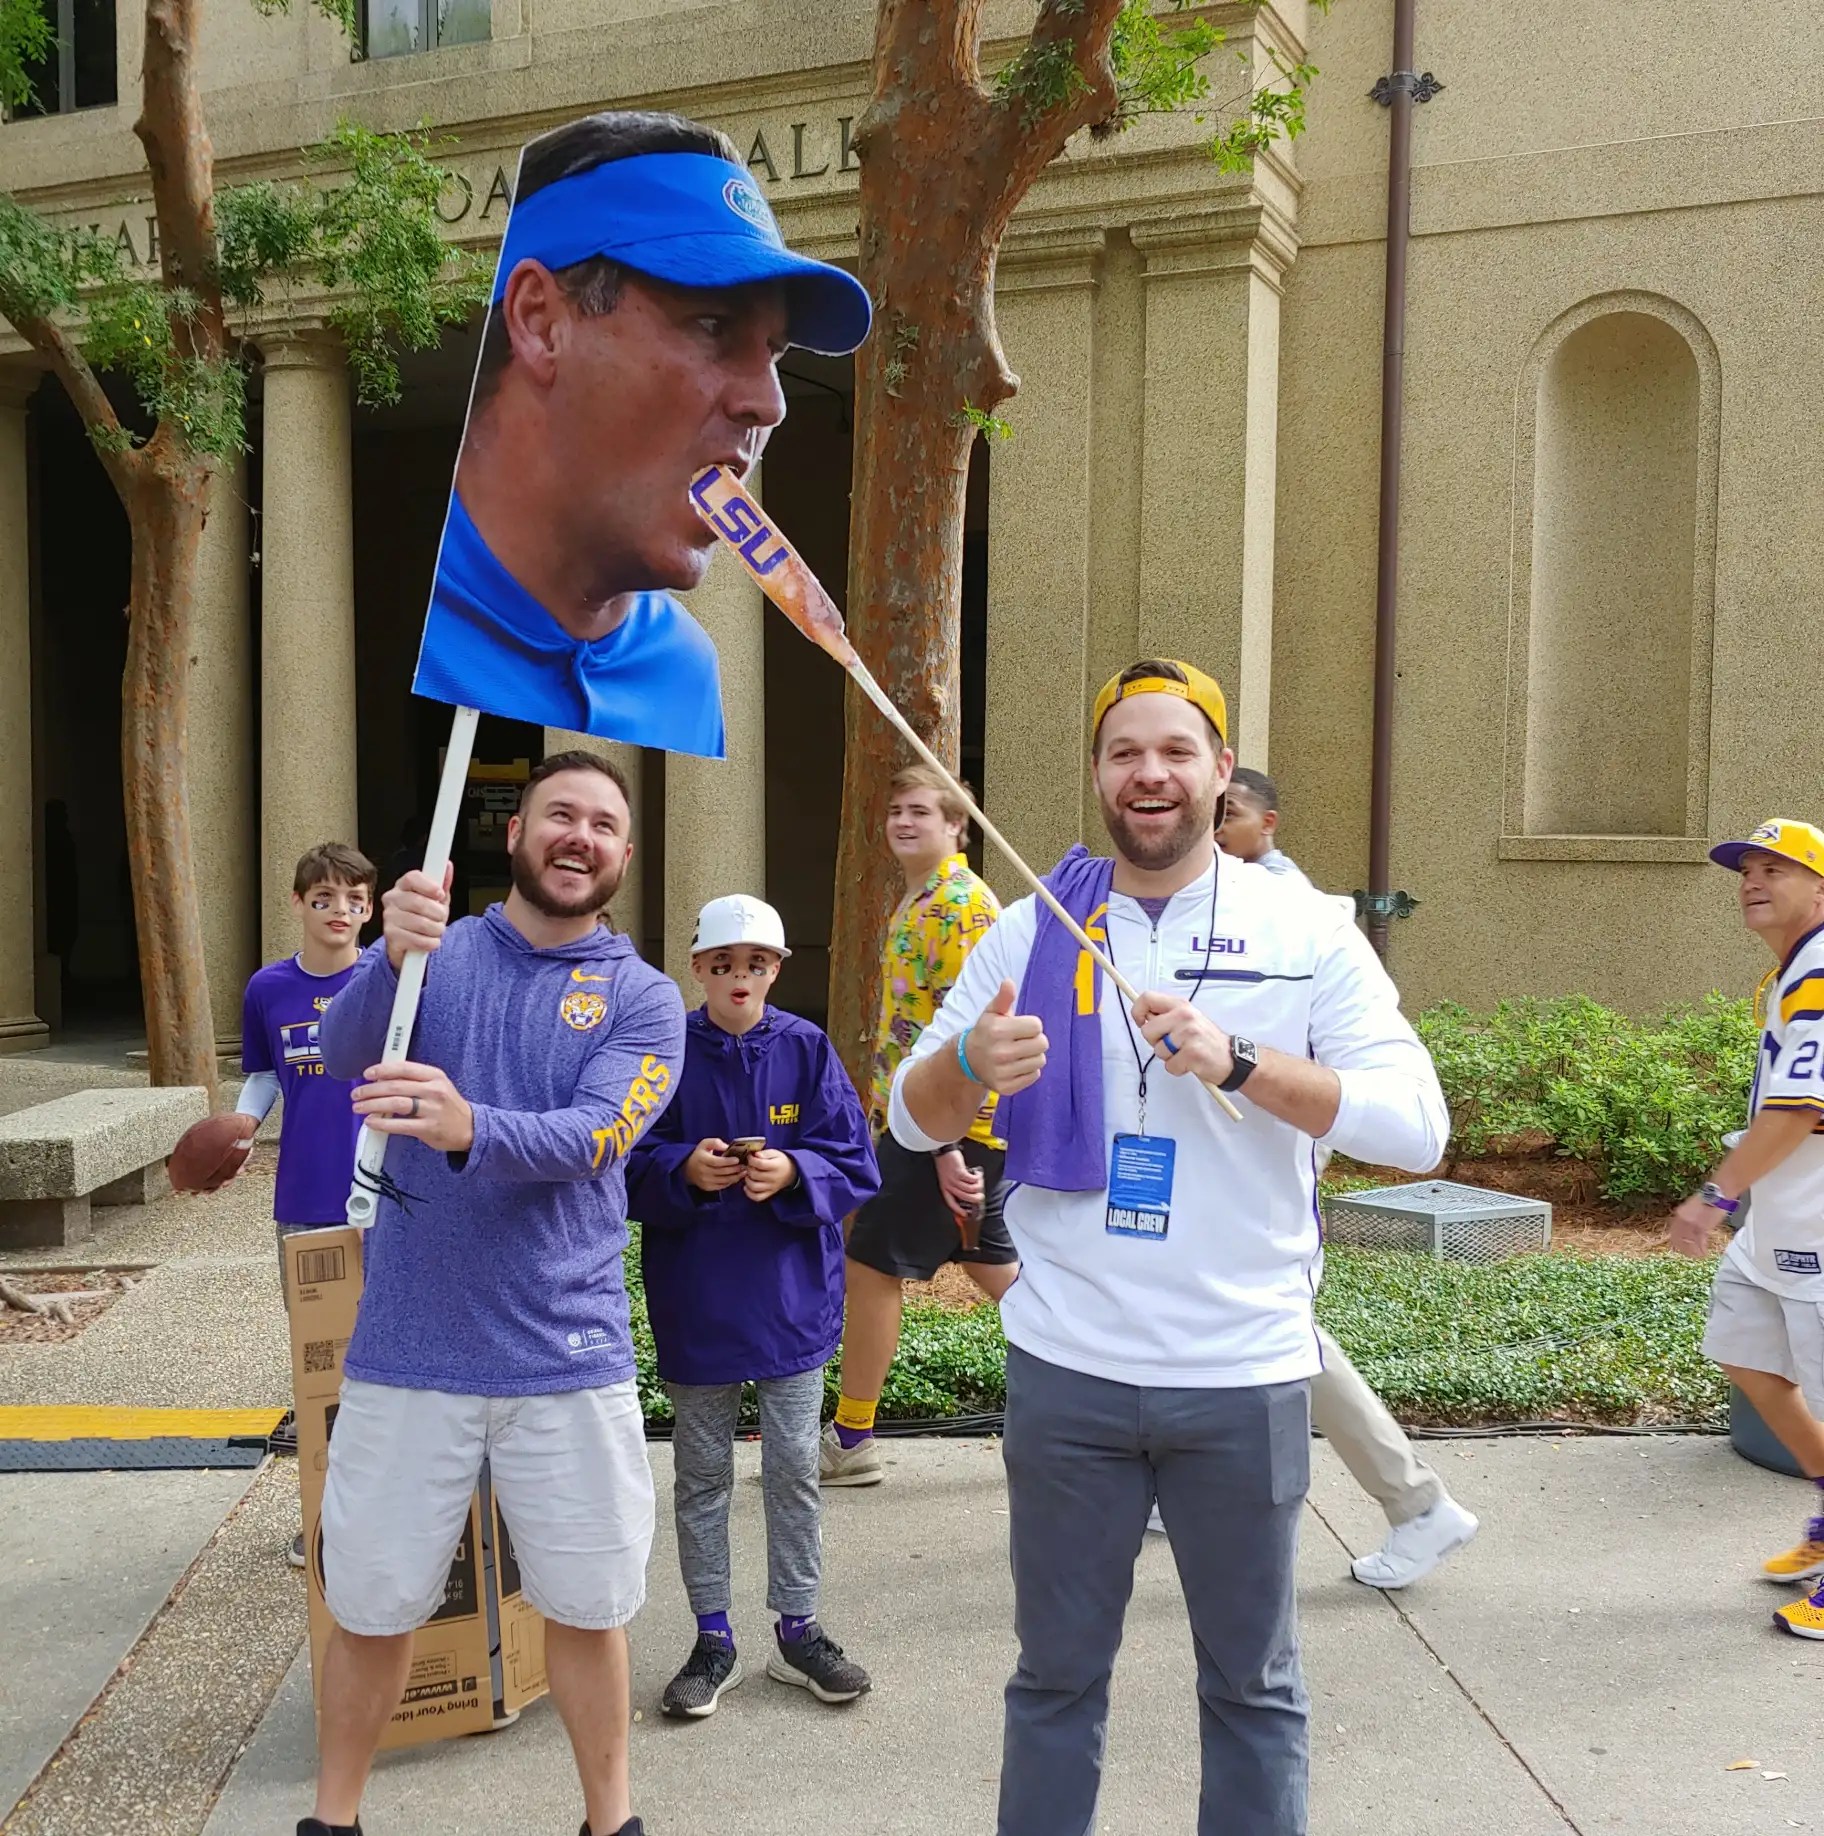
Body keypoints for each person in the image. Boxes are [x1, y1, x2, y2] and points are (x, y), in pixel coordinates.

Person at [892, 659, 1449, 1836]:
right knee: (1053, 1681)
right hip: (1068, 1369)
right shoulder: (1032, 923)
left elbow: (1416, 1129)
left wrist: (1242, 1060)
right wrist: (966, 1072)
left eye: (1176, 752)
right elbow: (910, 1112)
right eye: (1124, 752)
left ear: (1218, 772)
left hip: (1240, 1375)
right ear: (1098, 774)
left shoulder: (1305, 929)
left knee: (1252, 1687)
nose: (1150, 774)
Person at [300, 751, 684, 1836]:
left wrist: (469, 1124)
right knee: (371, 1610)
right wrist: (388, 958)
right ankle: (333, 1821)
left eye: (604, 824)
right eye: (561, 814)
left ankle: (611, 1822)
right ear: (514, 833)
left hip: (567, 1359)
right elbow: (339, 1058)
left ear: (622, 855)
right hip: (406, 1353)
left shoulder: (644, 1000)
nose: (581, 836)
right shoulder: (439, 955)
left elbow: (596, 1136)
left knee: (589, 1609)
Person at [412, 108, 871, 747]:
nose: (771, 406)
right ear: (542, 323)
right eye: (713, 326)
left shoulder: (686, 670)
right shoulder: (420, 627)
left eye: (774, 352)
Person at [1199, 770, 1480, 1588]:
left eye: (1231, 814)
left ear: (1269, 824)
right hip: (1244, 1148)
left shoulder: (1293, 911)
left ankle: (1417, 1504)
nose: (1215, 829)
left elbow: (1372, 1092)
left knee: (1278, 1327)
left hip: (1267, 1150)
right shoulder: (1220, 898)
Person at [627, 894, 880, 1719]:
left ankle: (798, 1630)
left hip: (790, 1300)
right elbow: (618, 1159)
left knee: (792, 1470)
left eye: (756, 964)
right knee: (700, 1474)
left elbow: (855, 1160)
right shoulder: (663, 1054)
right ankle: (713, 1638)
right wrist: (680, 1170)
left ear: (778, 969)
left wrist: (796, 1174)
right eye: (723, 964)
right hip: (698, 1298)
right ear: (696, 968)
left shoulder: (806, 1049)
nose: (740, 978)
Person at [820, 765, 1019, 1488]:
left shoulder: (962, 907)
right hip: (925, 1125)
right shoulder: (919, 900)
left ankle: (851, 1437)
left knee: (870, 1266)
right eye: (896, 810)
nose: (903, 822)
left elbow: (973, 1032)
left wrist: (945, 1143)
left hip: (941, 1129)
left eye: (921, 813)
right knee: (994, 1266)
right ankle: (1095, 1398)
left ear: (956, 827)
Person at [1669, 817, 1824, 1642]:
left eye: (1778, 869)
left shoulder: (1820, 977)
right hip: (1785, 1211)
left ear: (1821, 890)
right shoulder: (1788, 973)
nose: (1753, 882)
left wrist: (1715, 1196)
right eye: (1746, 870)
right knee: (1746, 1353)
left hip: (1816, 1213)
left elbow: (1802, 1109)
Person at [232, 842, 376, 1556]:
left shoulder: (392, 979)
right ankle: (323, 1522)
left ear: (370, 908)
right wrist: (238, 1126)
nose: (339, 913)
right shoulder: (268, 989)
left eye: (353, 900)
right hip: (306, 1200)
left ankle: (397, 1519)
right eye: (323, 899)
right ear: (298, 904)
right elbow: (262, 1076)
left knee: (391, 1365)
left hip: (390, 1203)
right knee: (323, 1370)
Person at [1216, 767, 1315, 890]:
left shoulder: (1284, 885)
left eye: (1228, 814)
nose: (1214, 827)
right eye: (1210, 816)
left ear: (1268, 823)